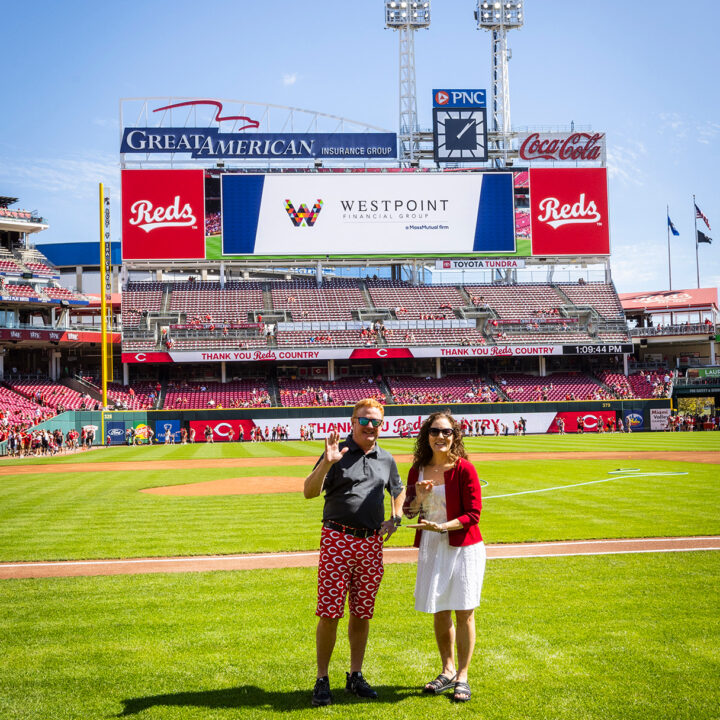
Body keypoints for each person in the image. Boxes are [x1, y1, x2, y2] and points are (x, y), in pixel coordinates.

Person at [303, 398, 405, 707]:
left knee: (362, 613)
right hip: (337, 539)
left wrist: (396, 517)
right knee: (330, 613)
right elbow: (309, 491)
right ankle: (322, 678)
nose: (370, 426)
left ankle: (355, 675)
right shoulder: (337, 454)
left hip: (371, 543)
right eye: (364, 420)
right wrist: (327, 463)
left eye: (375, 421)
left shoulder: (386, 458)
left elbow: (397, 490)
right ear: (353, 422)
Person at [403, 411, 485, 703]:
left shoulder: (464, 469)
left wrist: (443, 526)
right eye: (435, 431)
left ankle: (463, 675)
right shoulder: (418, 470)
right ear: (427, 435)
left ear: (455, 436)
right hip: (432, 546)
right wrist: (420, 499)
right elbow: (409, 513)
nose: (441, 437)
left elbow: (473, 514)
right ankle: (447, 670)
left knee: (464, 611)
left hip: (462, 546)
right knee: (439, 609)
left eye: (447, 432)